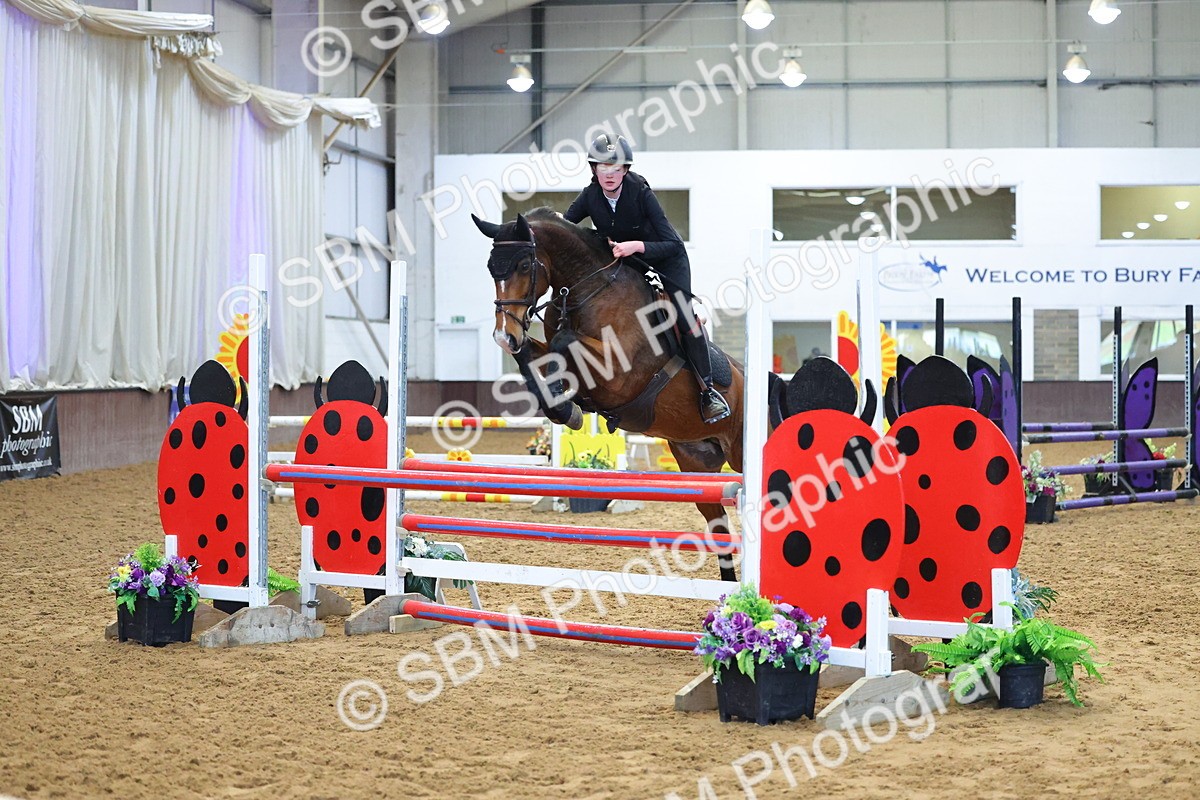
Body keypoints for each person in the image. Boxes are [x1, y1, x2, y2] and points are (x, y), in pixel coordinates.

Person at [563, 133, 732, 424]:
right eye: (603, 168)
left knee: (682, 315)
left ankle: (708, 391)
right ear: (594, 170)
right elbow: (566, 228)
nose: (610, 175)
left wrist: (636, 246)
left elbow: (673, 244)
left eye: (616, 169)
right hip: (630, 265)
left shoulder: (640, 191)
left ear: (625, 170)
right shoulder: (590, 195)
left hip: (666, 259)